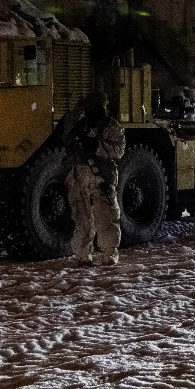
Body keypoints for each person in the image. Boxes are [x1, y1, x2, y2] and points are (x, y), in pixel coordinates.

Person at [67, 92, 126, 263]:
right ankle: (83, 255)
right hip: (80, 178)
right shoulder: (81, 126)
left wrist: (96, 146)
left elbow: (119, 150)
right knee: (82, 218)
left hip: (101, 179)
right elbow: (68, 146)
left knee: (107, 216)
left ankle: (109, 253)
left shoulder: (111, 126)